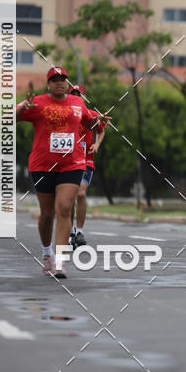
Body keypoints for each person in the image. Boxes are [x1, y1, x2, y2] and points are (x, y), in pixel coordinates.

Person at [16, 67, 107, 279]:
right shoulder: (37, 103)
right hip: (42, 165)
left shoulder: (77, 103)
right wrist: (21, 109)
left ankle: (59, 261)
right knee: (47, 215)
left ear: (67, 82)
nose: (59, 82)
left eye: (63, 79)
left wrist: (100, 121)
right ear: (48, 83)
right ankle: (47, 254)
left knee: (65, 208)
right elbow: (7, 119)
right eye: (54, 79)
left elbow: (91, 122)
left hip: (72, 163)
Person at [68, 84, 105, 249]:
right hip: (68, 162)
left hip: (86, 161)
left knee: (80, 193)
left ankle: (79, 231)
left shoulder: (91, 114)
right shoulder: (64, 115)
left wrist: (97, 144)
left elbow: (101, 130)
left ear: (84, 97)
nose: (76, 96)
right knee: (68, 198)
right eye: (73, 94)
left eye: (79, 94)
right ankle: (70, 232)